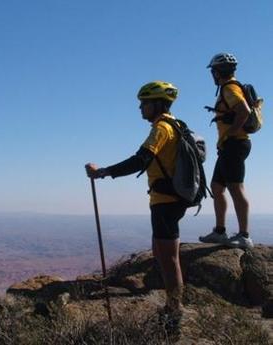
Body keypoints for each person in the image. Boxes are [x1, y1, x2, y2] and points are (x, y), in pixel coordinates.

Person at [85, 81, 186, 314]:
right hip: (171, 197)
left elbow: (140, 160)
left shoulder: (162, 128)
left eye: (144, 103)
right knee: (161, 252)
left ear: (157, 104)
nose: (140, 108)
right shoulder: (177, 125)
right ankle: (172, 302)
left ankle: (175, 309)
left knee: (169, 258)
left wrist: (103, 172)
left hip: (165, 201)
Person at [199, 53, 253, 249]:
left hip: (234, 144)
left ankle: (244, 235)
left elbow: (244, 111)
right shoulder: (229, 87)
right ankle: (220, 232)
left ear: (217, 72)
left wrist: (229, 134)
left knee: (235, 188)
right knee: (217, 187)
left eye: (213, 72)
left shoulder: (229, 88)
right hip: (231, 145)